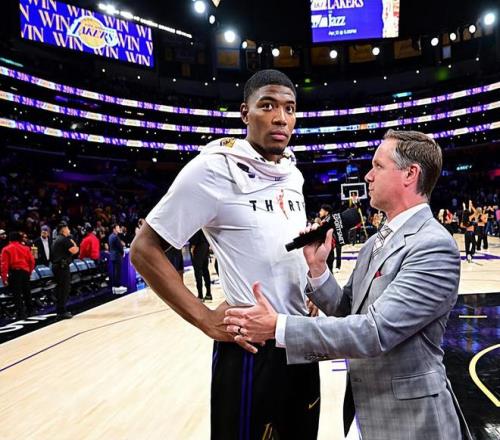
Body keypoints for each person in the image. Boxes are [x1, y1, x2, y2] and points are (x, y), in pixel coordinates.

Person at [225, 129, 471, 440]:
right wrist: (318, 269)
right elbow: (347, 310)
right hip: (364, 411)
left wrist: (279, 327)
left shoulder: (433, 246)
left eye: (378, 166)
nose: (368, 176)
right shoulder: (373, 244)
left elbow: (374, 332)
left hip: (413, 421)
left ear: (410, 174)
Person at [131, 69, 320, 440]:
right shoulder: (213, 168)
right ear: (245, 113)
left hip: (300, 338)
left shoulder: (292, 173)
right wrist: (204, 318)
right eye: (268, 106)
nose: (280, 118)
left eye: (289, 108)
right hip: (253, 349)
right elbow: (143, 249)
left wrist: (306, 291)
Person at [1, 231, 35, 320]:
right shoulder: (26, 248)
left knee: (17, 294)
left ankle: (21, 314)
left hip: (15, 273)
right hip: (25, 272)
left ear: (10, 239)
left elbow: (4, 265)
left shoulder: (6, 249)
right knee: (27, 292)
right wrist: (29, 272)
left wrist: (4, 278)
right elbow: (32, 261)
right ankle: (31, 311)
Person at [51, 222, 79, 319]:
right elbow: (75, 250)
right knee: (64, 289)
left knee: (61, 289)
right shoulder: (64, 239)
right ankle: (61, 312)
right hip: (62, 267)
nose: (69, 230)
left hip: (57, 266)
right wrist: (73, 241)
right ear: (63, 230)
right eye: (68, 228)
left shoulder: (57, 239)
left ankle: (61, 310)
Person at [190, 229, 212, 301]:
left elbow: (195, 233)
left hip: (198, 246)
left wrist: (193, 246)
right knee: (205, 270)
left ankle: (200, 295)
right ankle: (208, 294)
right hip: (205, 244)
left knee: (198, 271)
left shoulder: (193, 223)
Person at [318, 204, 341, 273]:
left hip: (329, 246)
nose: (319, 212)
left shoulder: (328, 220)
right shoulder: (326, 220)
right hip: (329, 246)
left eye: (321, 210)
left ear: (326, 212)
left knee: (328, 269)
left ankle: (338, 266)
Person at [108, 224, 127, 294]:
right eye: (118, 228)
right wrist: (123, 253)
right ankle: (117, 286)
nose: (119, 229)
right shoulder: (115, 237)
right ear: (114, 229)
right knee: (117, 272)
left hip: (113, 256)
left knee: (115, 271)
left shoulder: (110, 236)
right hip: (117, 256)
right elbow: (120, 247)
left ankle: (115, 286)